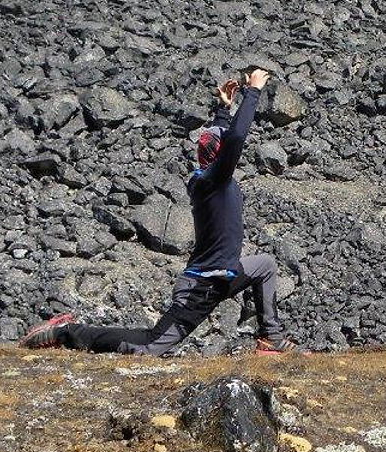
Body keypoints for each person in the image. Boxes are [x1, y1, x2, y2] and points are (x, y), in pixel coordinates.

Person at [19, 68, 300, 356]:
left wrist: (223, 109)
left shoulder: (209, 177)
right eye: (224, 147)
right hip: (201, 287)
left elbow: (221, 139)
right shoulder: (212, 182)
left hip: (224, 275)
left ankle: (271, 337)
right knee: (151, 345)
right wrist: (252, 92)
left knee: (264, 265)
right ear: (220, 156)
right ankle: (67, 333)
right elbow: (235, 138)